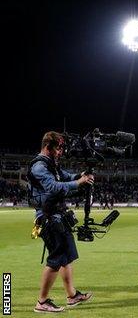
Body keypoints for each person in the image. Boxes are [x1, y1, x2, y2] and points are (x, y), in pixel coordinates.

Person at [27, 131, 94, 313]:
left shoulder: (51, 164)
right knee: (56, 259)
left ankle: (72, 296)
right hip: (48, 218)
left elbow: (64, 176)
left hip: (58, 216)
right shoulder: (39, 166)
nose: (61, 152)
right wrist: (79, 182)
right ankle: (42, 302)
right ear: (47, 146)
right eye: (58, 148)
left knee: (67, 257)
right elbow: (53, 187)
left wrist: (79, 175)